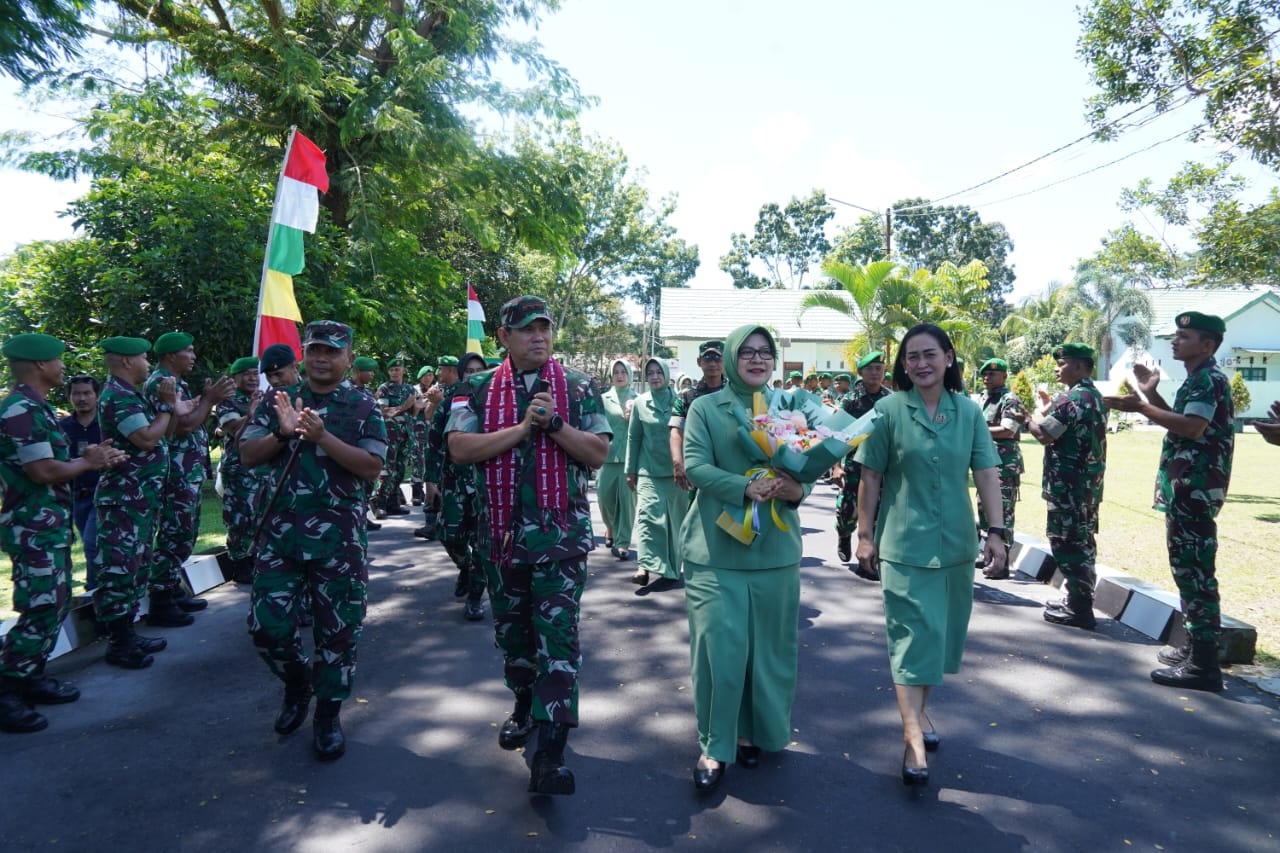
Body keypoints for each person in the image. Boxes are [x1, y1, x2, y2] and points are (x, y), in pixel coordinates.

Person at [446, 295, 610, 797]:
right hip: (500, 542)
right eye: (526, 330)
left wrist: (556, 425)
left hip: (560, 541)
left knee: (558, 644)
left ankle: (552, 756)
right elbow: (459, 449)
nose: (538, 337)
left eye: (544, 328)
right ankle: (523, 703)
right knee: (515, 643)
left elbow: (599, 452)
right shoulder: (474, 390)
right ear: (504, 338)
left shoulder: (579, 386)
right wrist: (520, 430)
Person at [854, 323, 1005, 787]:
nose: (919, 363)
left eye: (928, 354)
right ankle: (912, 737)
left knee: (936, 638)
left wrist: (996, 532)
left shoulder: (969, 412)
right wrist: (864, 534)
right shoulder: (887, 411)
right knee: (908, 640)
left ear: (948, 358)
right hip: (903, 545)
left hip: (956, 546)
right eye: (911, 356)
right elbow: (871, 477)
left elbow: (985, 472)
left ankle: (921, 714)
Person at [240, 320, 387, 761]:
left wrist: (324, 438)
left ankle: (327, 713)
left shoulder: (363, 406)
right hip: (280, 535)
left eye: (332, 351)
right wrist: (283, 432)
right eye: (315, 350)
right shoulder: (277, 399)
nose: (322, 358)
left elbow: (371, 466)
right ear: (304, 354)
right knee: (268, 627)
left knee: (337, 633)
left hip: (339, 540)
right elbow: (247, 455)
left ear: (347, 356)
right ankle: (298, 684)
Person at [680, 325, 812, 792]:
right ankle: (716, 745)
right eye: (748, 352)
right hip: (716, 553)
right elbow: (694, 466)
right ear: (734, 357)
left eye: (765, 352)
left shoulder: (788, 409)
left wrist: (799, 489)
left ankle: (757, 732)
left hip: (775, 552)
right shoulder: (704, 408)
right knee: (721, 653)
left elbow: (807, 464)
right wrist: (744, 486)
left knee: (770, 653)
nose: (756, 360)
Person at [1, 334, 125, 732]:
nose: (61, 367)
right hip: (31, 526)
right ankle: (7, 690)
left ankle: (30, 677)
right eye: (57, 361)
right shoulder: (21, 410)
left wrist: (88, 458)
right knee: (41, 604)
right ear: (39, 365)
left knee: (53, 601)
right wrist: (91, 462)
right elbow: (45, 471)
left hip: (45, 523)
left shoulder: (34, 408)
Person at [1105, 312, 1234, 692]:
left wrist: (1142, 406)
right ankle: (1196, 650)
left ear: (1207, 345)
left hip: (1195, 490)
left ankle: (1205, 666)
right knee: (1187, 571)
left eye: (1184, 336)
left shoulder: (1209, 379)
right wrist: (1151, 393)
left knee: (1195, 573)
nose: (1175, 342)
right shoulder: (1198, 379)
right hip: (1187, 489)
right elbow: (1183, 419)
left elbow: (1193, 428)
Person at [92, 336, 179, 669]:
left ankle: (127, 631)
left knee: (137, 564)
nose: (147, 363)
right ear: (127, 361)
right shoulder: (118, 397)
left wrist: (164, 409)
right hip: (124, 498)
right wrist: (167, 406)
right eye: (143, 357)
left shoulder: (133, 395)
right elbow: (146, 438)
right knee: (120, 566)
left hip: (140, 497)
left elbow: (164, 434)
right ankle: (118, 641)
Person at [144, 332, 234, 626]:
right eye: (189, 351)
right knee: (175, 532)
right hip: (175, 473)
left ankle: (171, 589)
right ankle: (160, 599)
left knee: (185, 531)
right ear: (171, 355)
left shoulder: (176, 383)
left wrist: (201, 401)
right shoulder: (161, 383)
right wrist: (209, 400)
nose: (194, 356)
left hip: (187, 472)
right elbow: (182, 427)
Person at [1022, 343, 1108, 630]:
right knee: (1084, 541)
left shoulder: (1070, 398)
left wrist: (1027, 419)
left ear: (1081, 366)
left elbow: (1045, 434)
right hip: (1088, 485)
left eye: (1064, 363)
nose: (1058, 368)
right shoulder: (1095, 396)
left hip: (1068, 485)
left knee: (1067, 541)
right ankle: (1078, 600)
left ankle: (1080, 608)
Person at [424, 352, 490, 620]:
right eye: (469, 371)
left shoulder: (494, 403)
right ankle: (465, 566)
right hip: (453, 482)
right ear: (461, 374)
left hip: (485, 486)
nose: (473, 376)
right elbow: (433, 444)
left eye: (479, 371)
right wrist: (431, 481)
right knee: (450, 536)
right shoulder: (449, 404)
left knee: (483, 543)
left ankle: (475, 599)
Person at [626, 358, 688, 589]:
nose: (654, 376)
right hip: (648, 471)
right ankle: (643, 566)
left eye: (658, 372)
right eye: (650, 373)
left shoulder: (680, 401)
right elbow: (634, 438)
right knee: (647, 517)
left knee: (674, 522)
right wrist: (630, 470)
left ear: (666, 374)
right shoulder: (640, 403)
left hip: (677, 472)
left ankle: (671, 567)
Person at [833, 352, 891, 573]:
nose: (875, 373)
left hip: (881, 465)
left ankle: (867, 560)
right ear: (861, 373)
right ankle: (844, 534)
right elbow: (836, 434)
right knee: (849, 510)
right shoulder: (850, 400)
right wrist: (836, 466)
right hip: (854, 463)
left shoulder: (889, 399)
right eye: (870, 369)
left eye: (879, 368)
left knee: (876, 509)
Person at [215, 357, 266, 583]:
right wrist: (252, 413)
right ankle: (239, 562)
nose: (252, 378)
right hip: (239, 468)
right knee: (240, 516)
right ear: (234, 378)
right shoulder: (228, 402)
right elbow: (234, 429)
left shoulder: (264, 398)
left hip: (261, 466)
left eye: (255, 374)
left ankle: (255, 557)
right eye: (246, 374)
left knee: (260, 515)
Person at [975, 358, 1026, 580]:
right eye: (985, 374)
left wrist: (976, 430)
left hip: (1005, 466)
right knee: (984, 509)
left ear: (1005, 376)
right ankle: (988, 555)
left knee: (1002, 512)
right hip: (986, 463)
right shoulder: (985, 398)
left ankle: (1001, 561)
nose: (987, 378)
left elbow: (1008, 430)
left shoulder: (1009, 399)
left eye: (992, 374)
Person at [58, 374, 103, 589]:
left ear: (97, 395)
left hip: (102, 493)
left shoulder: (107, 422)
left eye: (87, 393)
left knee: (92, 544)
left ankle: (94, 590)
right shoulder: (62, 427)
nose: (82, 398)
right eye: (76, 393)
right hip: (76, 496)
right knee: (92, 545)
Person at [669, 340, 726, 495]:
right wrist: (678, 462)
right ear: (699, 362)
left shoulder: (734, 394)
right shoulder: (687, 396)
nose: (713, 363)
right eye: (707, 358)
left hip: (729, 468)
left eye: (717, 358)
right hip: (697, 467)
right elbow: (676, 431)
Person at [598, 359, 637, 562]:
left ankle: (623, 543)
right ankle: (610, 528)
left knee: (628, 504)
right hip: (607, 457)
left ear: (629, 374)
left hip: (631, 459)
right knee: (605, 501)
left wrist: (633, 416)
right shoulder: (603, 399)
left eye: (623, 371)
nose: (620, 375)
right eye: (616, 372)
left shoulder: (638, 399)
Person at [373, 357, 414, 519]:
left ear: (403, 370)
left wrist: (417, 405)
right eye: (392, 370)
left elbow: (414, 412)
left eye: (398, 369)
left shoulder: (410, 388)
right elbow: (383, 411)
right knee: (387, 469)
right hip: (390, 434)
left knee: (401, 468)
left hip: (406, 433)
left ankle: (393, 502)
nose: (395, 372)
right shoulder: (384, 389)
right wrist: (405, 406)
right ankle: (379, 503)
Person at [350, 356, 383, 531]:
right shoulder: (347, 391)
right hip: (351, 448)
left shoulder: (368, 392)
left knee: (368, 483)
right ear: (357, 372)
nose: (371, 374)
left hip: (367, 447)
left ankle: (363, 515)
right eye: (368, 371)